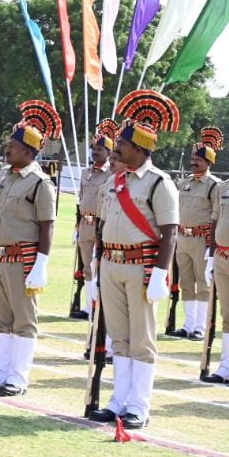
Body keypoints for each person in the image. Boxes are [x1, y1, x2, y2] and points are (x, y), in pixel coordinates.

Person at [88, 112, 179, 430]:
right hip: (112, 263)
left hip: (141, 266)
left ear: (139, 149)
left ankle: (139, 406)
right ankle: (118, 401)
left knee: (141, 339)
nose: (116, 149)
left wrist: (160, 273)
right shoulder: (114, 181)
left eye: (122, 145)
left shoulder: (159, 183)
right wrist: (96, 265)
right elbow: (102, 226)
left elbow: (170, 232)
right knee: (119, 338)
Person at [0, 119, 55, 396]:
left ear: (29, 151)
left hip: (23, 258)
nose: (7, 149)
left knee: (24, 319)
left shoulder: (40, 183)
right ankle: (2, 372)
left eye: (13, 146)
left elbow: (47, 226)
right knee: (3, 319)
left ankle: (18, 377)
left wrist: (41, 264)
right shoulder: (4, 175)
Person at [170, 134, 219, 339]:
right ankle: (188, 325)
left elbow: (218, 215)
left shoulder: (214, 185)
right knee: (186, 283)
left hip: (202, 240)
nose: (193, 162)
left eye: (198, 159)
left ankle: (200, 327)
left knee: (203, 283)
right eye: (192, 158)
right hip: (183, 238)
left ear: (208, 162)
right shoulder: (185, 183)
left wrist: (212, 246)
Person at [78, 129, 114, 321]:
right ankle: (87, 306)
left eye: (100, 149)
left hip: (101, 225)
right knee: (87, 267)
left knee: (97, 266)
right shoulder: (86, 173)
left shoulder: (111, 175)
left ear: (109, 152)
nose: (95, 152)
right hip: (85, 224)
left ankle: (97, 305)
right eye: (94, 148)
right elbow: (81, 198)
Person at [207, 158, 229, 384]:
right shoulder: (223, 187)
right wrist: (211, 256)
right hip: (222, 257)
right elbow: (215, 220)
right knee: (227, 315)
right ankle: (225, 367)